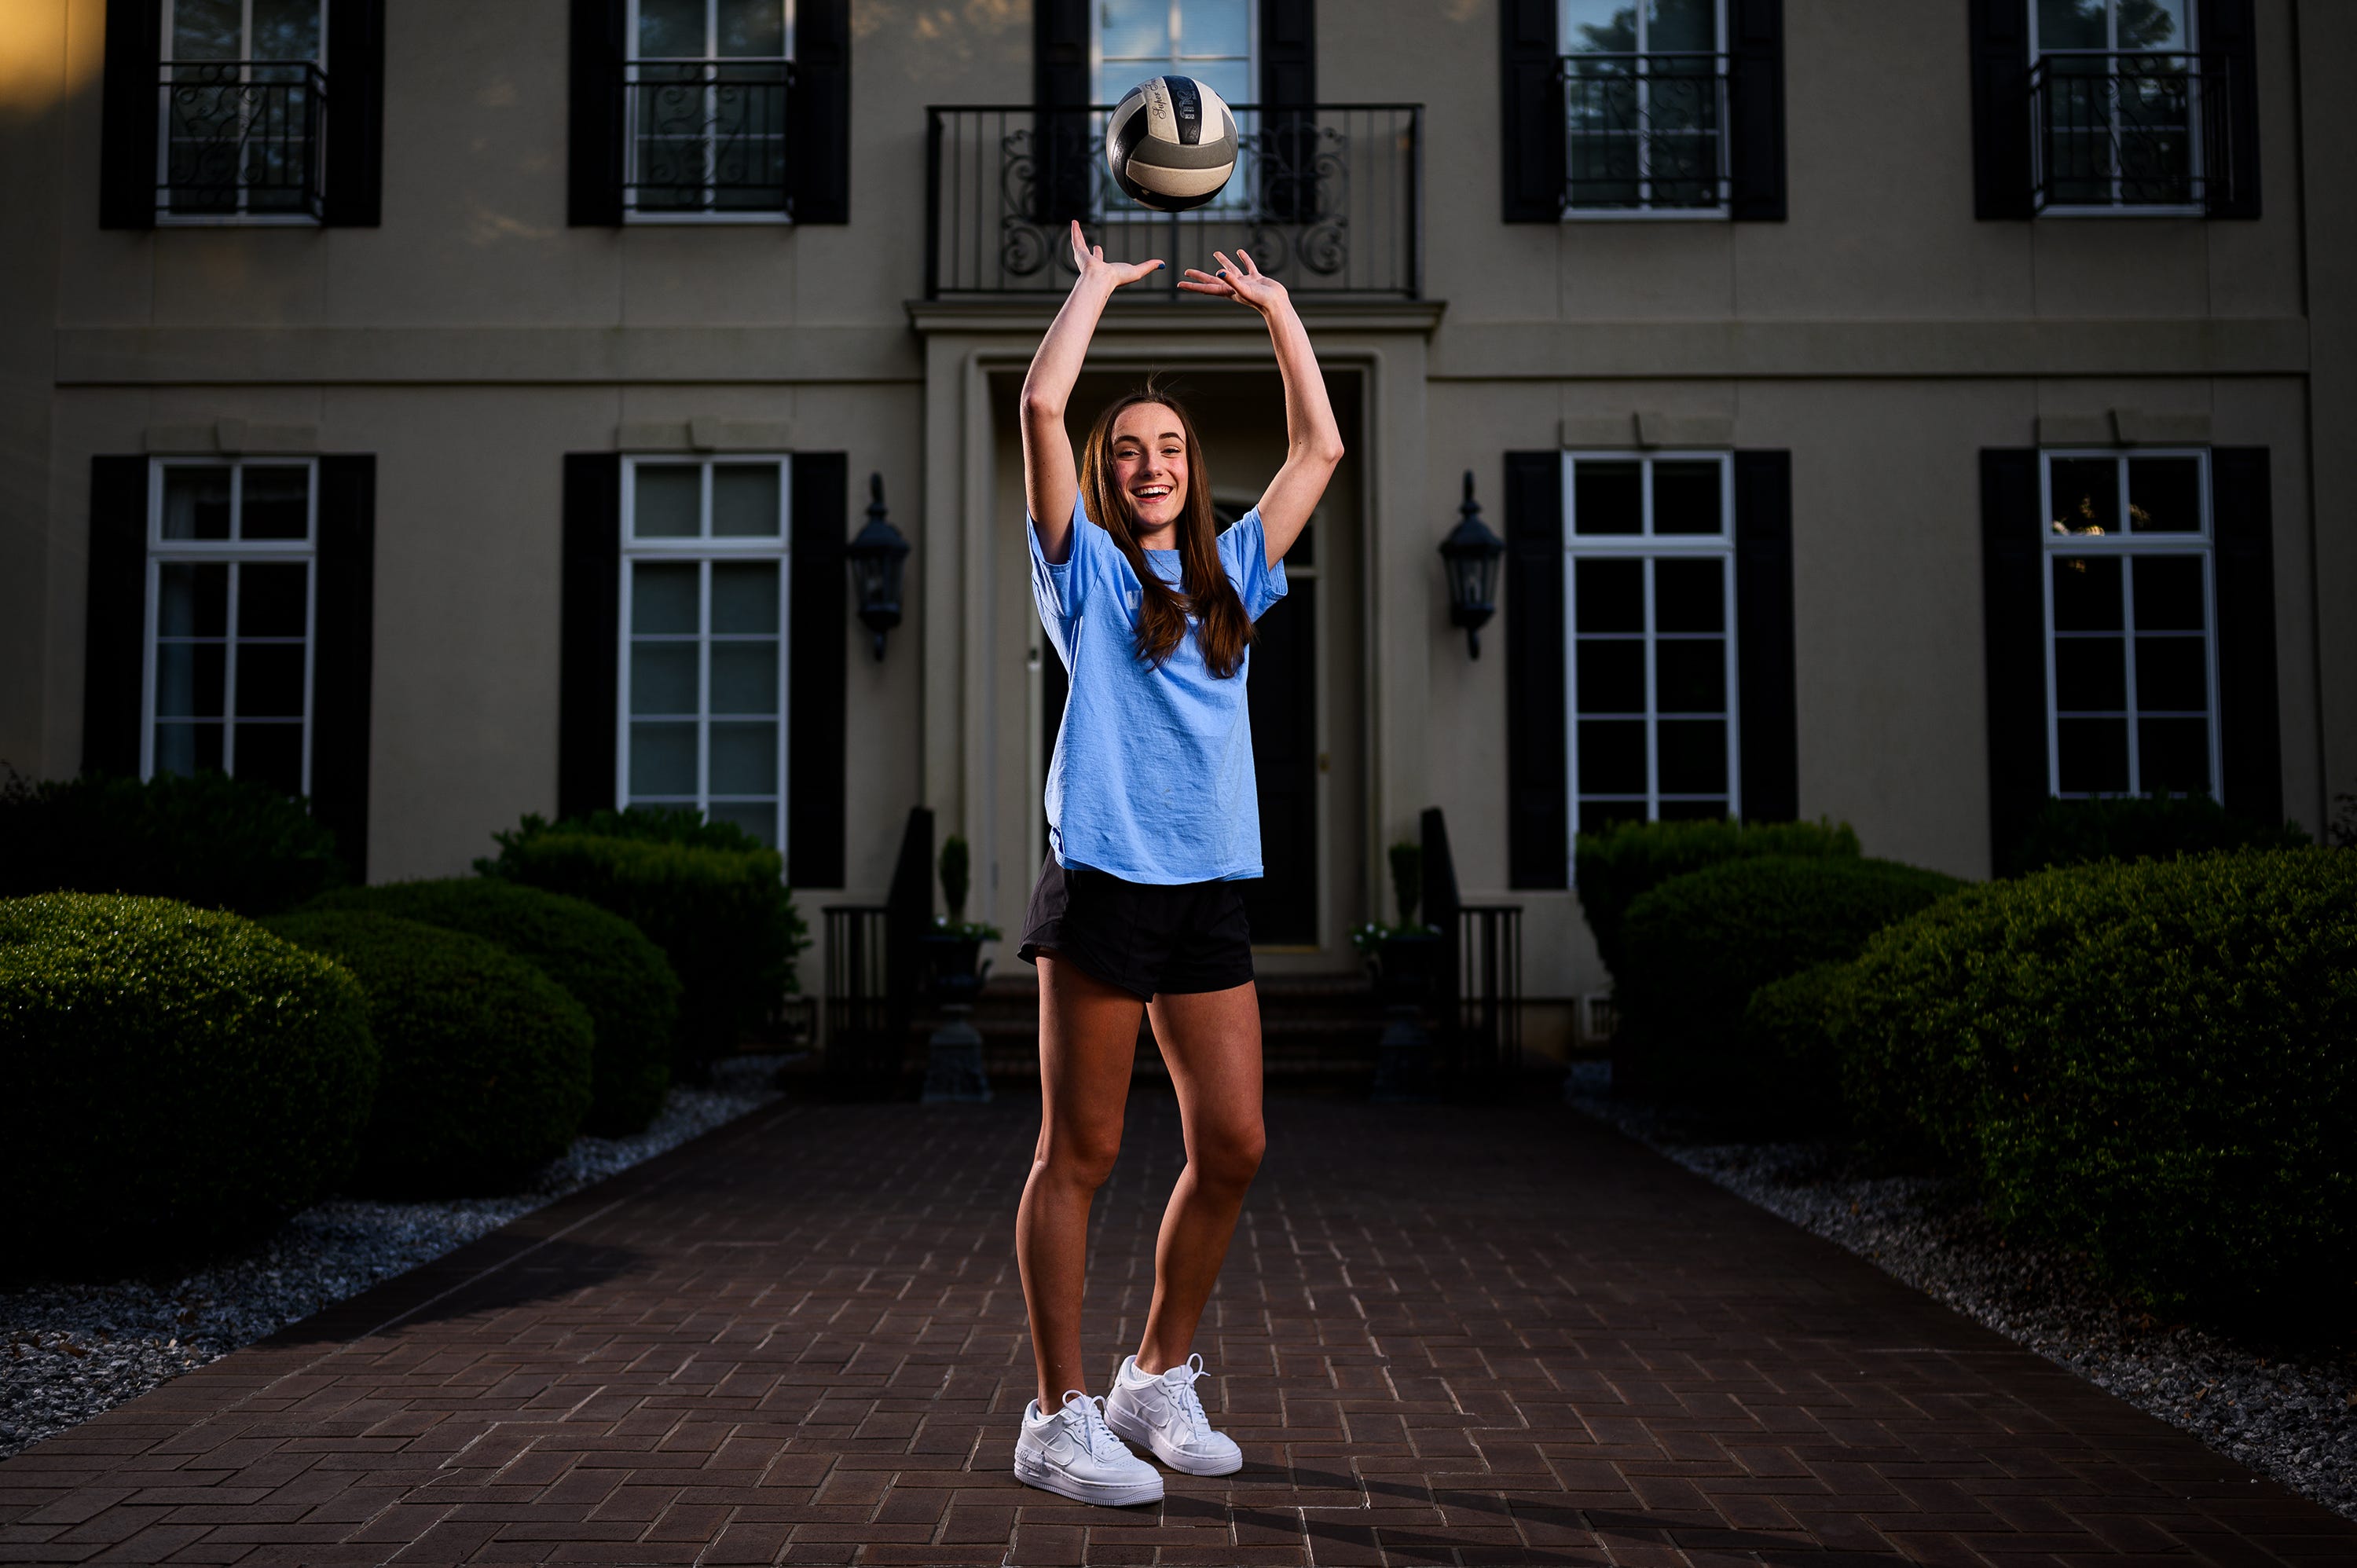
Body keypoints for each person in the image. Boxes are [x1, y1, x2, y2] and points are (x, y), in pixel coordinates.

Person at [1009, 221, 1343, 1507]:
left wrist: (1275, 310)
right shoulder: (1082, 570)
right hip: (1103, 881)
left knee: (1238, 1142)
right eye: (1129, 450)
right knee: (1078, 1153)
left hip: (1207, 887)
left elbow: (1321, 446)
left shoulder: (1237, 570)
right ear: (1107, 473)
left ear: (1193, 470)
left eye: (1171, 449)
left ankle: (1154, 1375)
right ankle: (1055, 1413)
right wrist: (1090, 290)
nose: (1150, 463)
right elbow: (1043, 401)